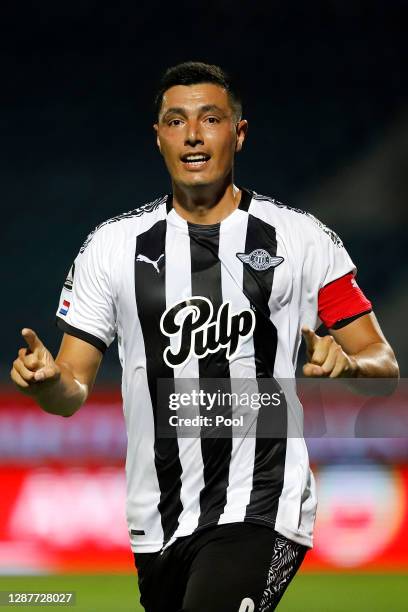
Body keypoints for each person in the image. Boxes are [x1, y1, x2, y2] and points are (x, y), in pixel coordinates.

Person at [11, 62, 399, 611]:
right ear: (159, 138)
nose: (192, 134)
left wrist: (352, 366)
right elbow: (70, 390)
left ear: (237, 133)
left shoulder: (302, 240)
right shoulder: (112, 247)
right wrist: (45, 382)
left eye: (210, 118)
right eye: (176, 121)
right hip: (157, 520)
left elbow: (381, 364)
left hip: (263, 504)